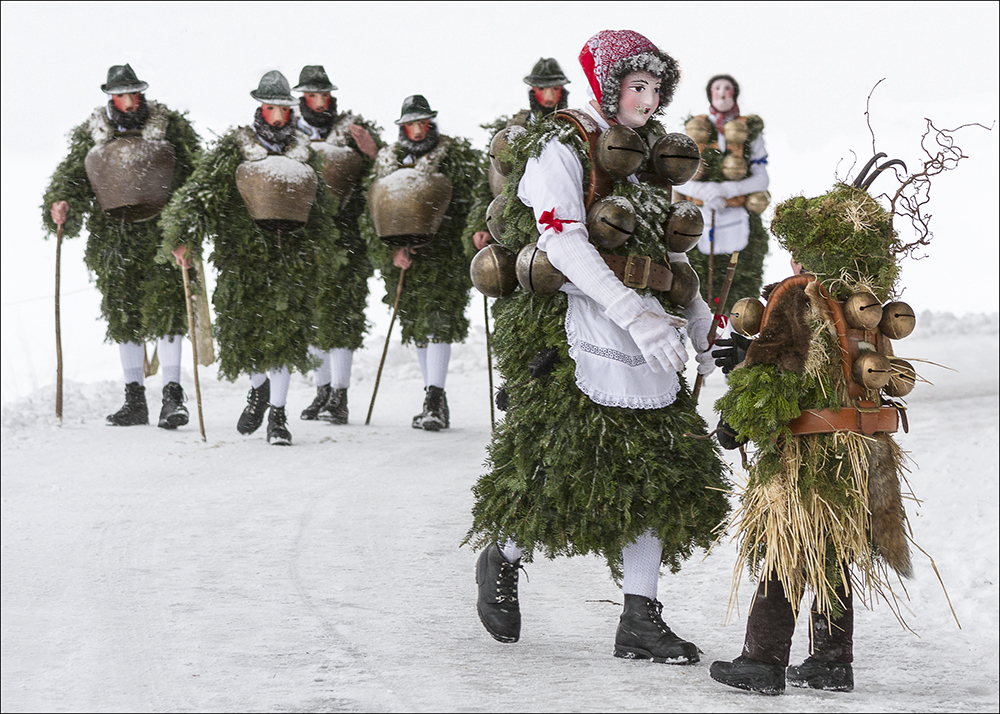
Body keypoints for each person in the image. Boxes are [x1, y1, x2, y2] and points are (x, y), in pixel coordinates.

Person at [465, 30, 730, 662]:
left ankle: (640, 615)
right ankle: (502, 555)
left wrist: (699, 322)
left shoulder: (646, 157)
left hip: (647, 332)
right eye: (638, 86)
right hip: (572, 327)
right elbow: (563, 241)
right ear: (610, 86)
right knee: (557, 462)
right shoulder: (564, 142)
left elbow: (665, 255)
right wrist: (630, 313)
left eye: (657, 88)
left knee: (654, 473)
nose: (650, 98)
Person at [708, 168, 921, 694]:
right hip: (866, 451)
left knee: (791, 544)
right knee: (834, 548)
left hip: (812, 451)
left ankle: (762, 661)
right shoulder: (866, 307)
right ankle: (830, 661)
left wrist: (735, 420)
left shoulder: (796, 294)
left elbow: (772, 373)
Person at [160, 70, 343, 445]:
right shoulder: (235, 148)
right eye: (271, 108)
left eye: (283, 109)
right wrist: (185, 238)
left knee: (287, 333)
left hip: (291, 255)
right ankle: (258, 389)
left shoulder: (304, 151)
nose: (278, 115)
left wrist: (321, 249)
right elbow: (200, 193)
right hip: (242, 256)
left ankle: (278, 415)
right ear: (261, 107)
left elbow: (320, 206)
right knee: (247, 331)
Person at [42, 64, 202, 429]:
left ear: (142, 95)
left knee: (166, 310)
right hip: (113, 235)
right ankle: (134, 399)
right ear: (111, 98)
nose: (130, 103)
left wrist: (185, 229)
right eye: (122, 96)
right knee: (124, 313)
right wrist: (61, 201)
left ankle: (172, 396)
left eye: (134, 95)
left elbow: (193, 175)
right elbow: (72, 175)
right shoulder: (95, 133)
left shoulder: (169, 127)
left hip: (162, 231)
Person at [360, 95, 482, 431]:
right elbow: (372, 210)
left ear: (430, 123)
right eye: (410, 124)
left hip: (443, 254)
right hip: (407, 259)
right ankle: (432, 397)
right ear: (402, 127)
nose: (417, 130)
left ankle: (434, 396)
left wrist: (467, 233)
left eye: (422, 123)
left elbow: (471, 198)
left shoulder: (452, 156)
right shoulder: (387, 161)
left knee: (440, 322)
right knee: (417, 326)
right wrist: (392, 249)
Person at [291, 65, 382, 425]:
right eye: (312, 96)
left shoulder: (353, 131)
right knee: (313, 315)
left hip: (347, 238)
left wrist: (372, 151)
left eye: (323, 96)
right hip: (306, 237)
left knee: (341, 314)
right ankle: (322, 389)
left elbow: (384, 177)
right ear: (302, 100)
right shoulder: (291, 134)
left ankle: (340, 395)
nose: (318, 102)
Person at [673, 74, 769, 317]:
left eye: (727, 88)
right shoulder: (695, 127)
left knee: (739, 279)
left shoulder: (750, 130)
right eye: (717, 88)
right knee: (701, 279)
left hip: (739, 215)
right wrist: (703, 191)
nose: (723, 93)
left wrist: (725, 191)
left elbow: (761, 178)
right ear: (710, 93)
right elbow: (677, 177)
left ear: (735, 92)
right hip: (701, 218)